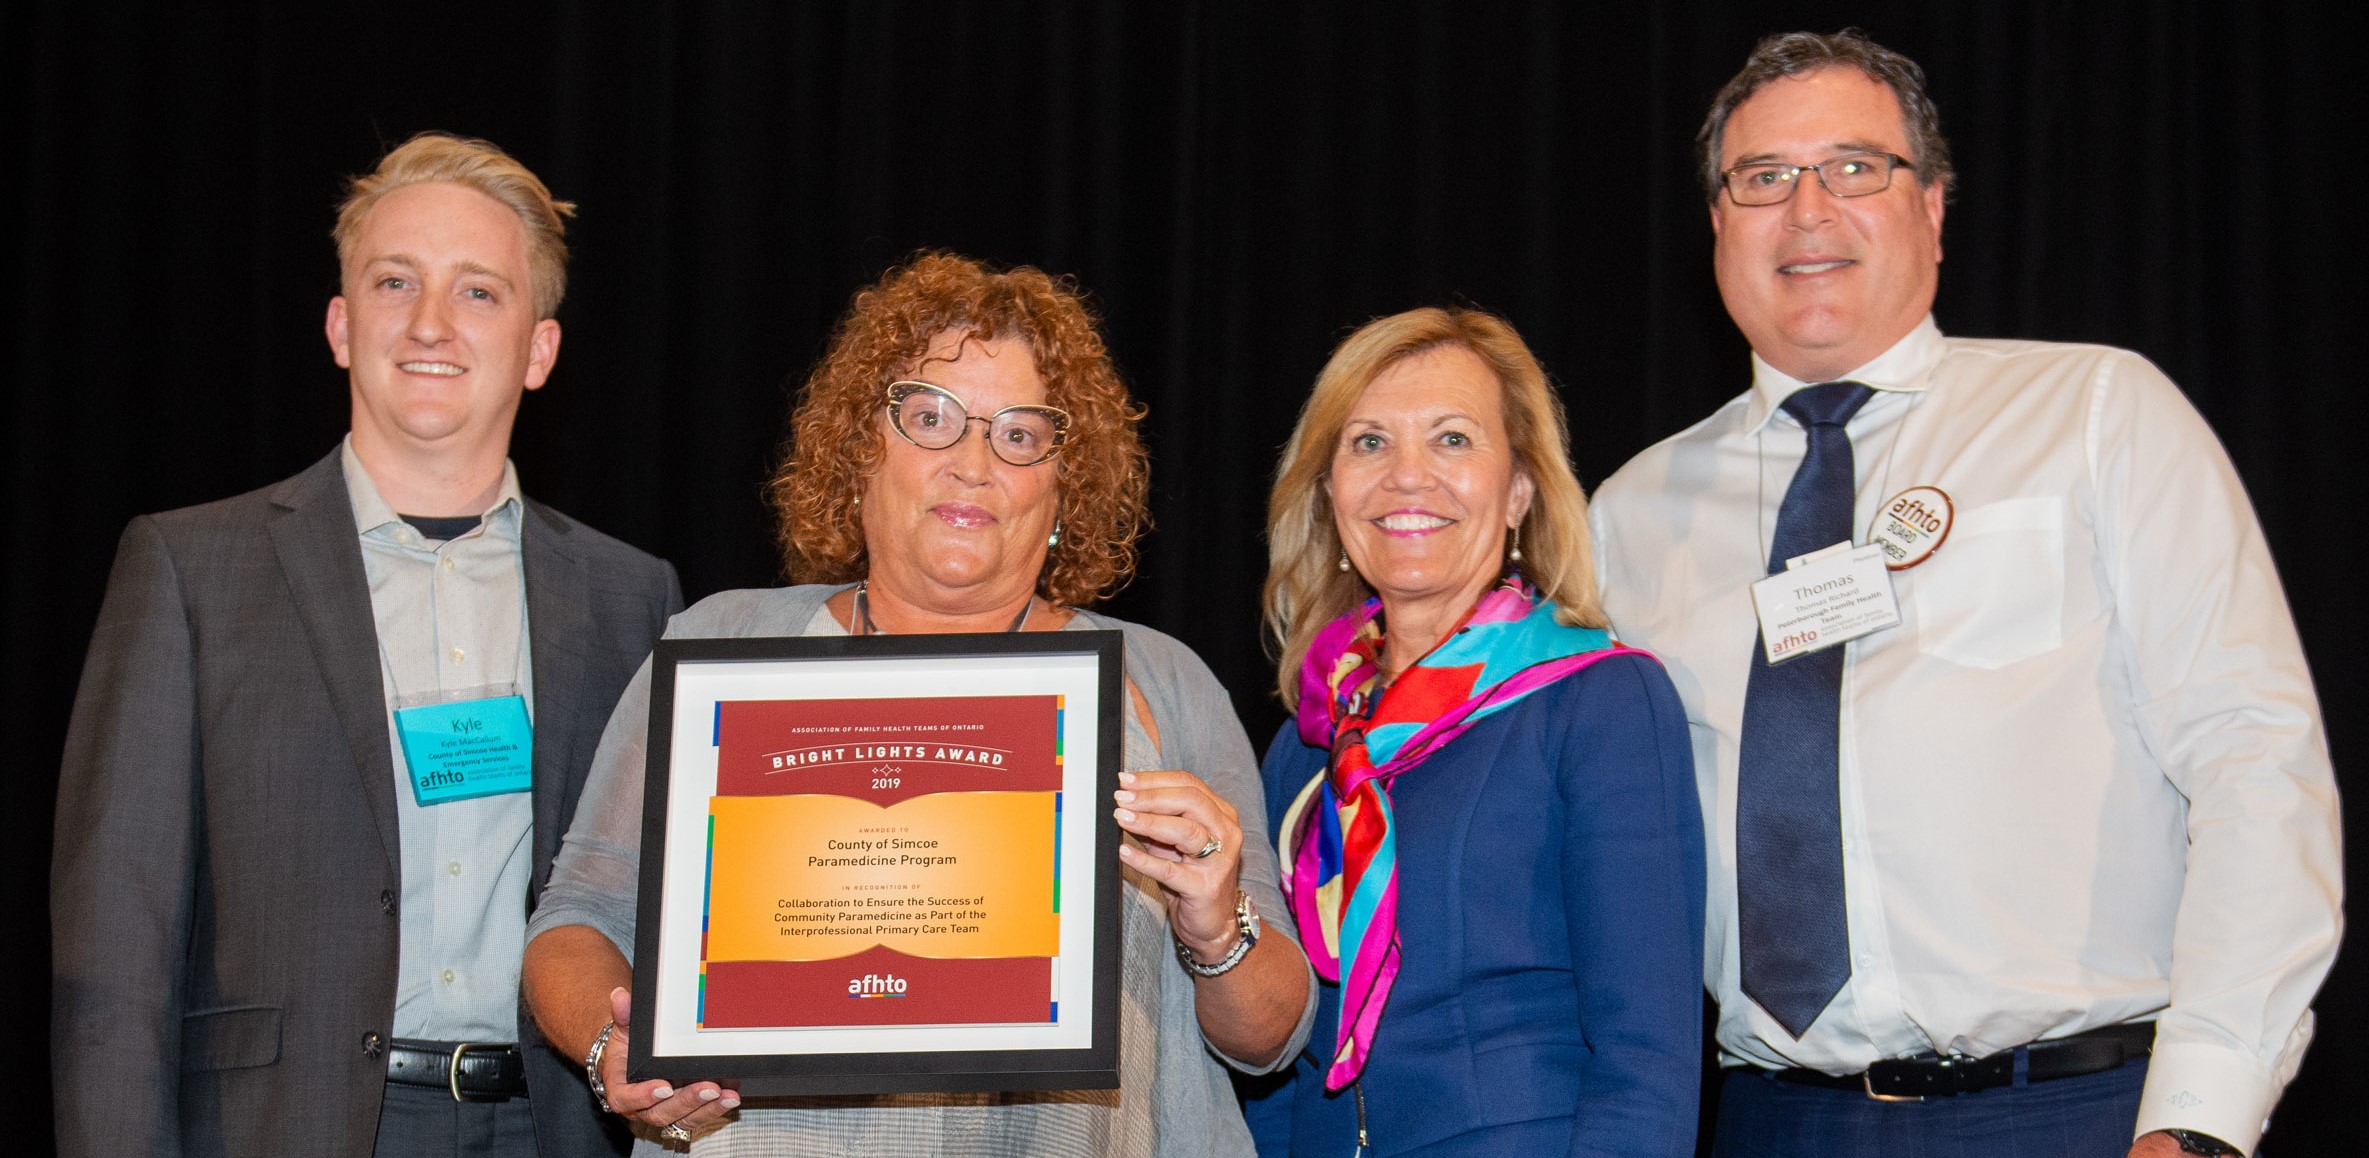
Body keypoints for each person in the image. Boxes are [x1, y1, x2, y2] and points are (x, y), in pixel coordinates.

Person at [1589, 29, 2341, 1158]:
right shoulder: (1629, 515)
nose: (1806, 210)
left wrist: (2199, 1121)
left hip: (2078, 1114)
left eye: (1854, 167)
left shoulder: (2095, 412)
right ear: (1716, 222)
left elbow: (2255, 758)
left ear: (1932, 208)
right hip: (1771, 1122)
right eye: (1763, 177)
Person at [519, 251, 1315, 1155]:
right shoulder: (720, 649)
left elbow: (1270, 1037)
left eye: (1019, 435)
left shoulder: (1160, 684)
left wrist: (1215, 926)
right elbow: (577, 920)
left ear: (1065, 484)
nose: (972, 464)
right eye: (930, 418)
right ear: (858, 450)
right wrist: (611, 1047)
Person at [52, 133, 681, 1158]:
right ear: (341, 327)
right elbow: (115, 953)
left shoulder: (629, 597)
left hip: (555, 1128)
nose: (430, 321)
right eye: (395, 282)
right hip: (283, 1128)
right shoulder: (191, 569)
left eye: (477, 291)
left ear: (539, 350)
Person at [1239, 306, 1704, 1156]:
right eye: (1368, 443)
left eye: (1451, 439)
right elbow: (1272, 1064)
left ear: (1519, 488)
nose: (1406, 476)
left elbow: (1646, 1059)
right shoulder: (1305, 746)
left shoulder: (1602, 702)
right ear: (1329, 492)